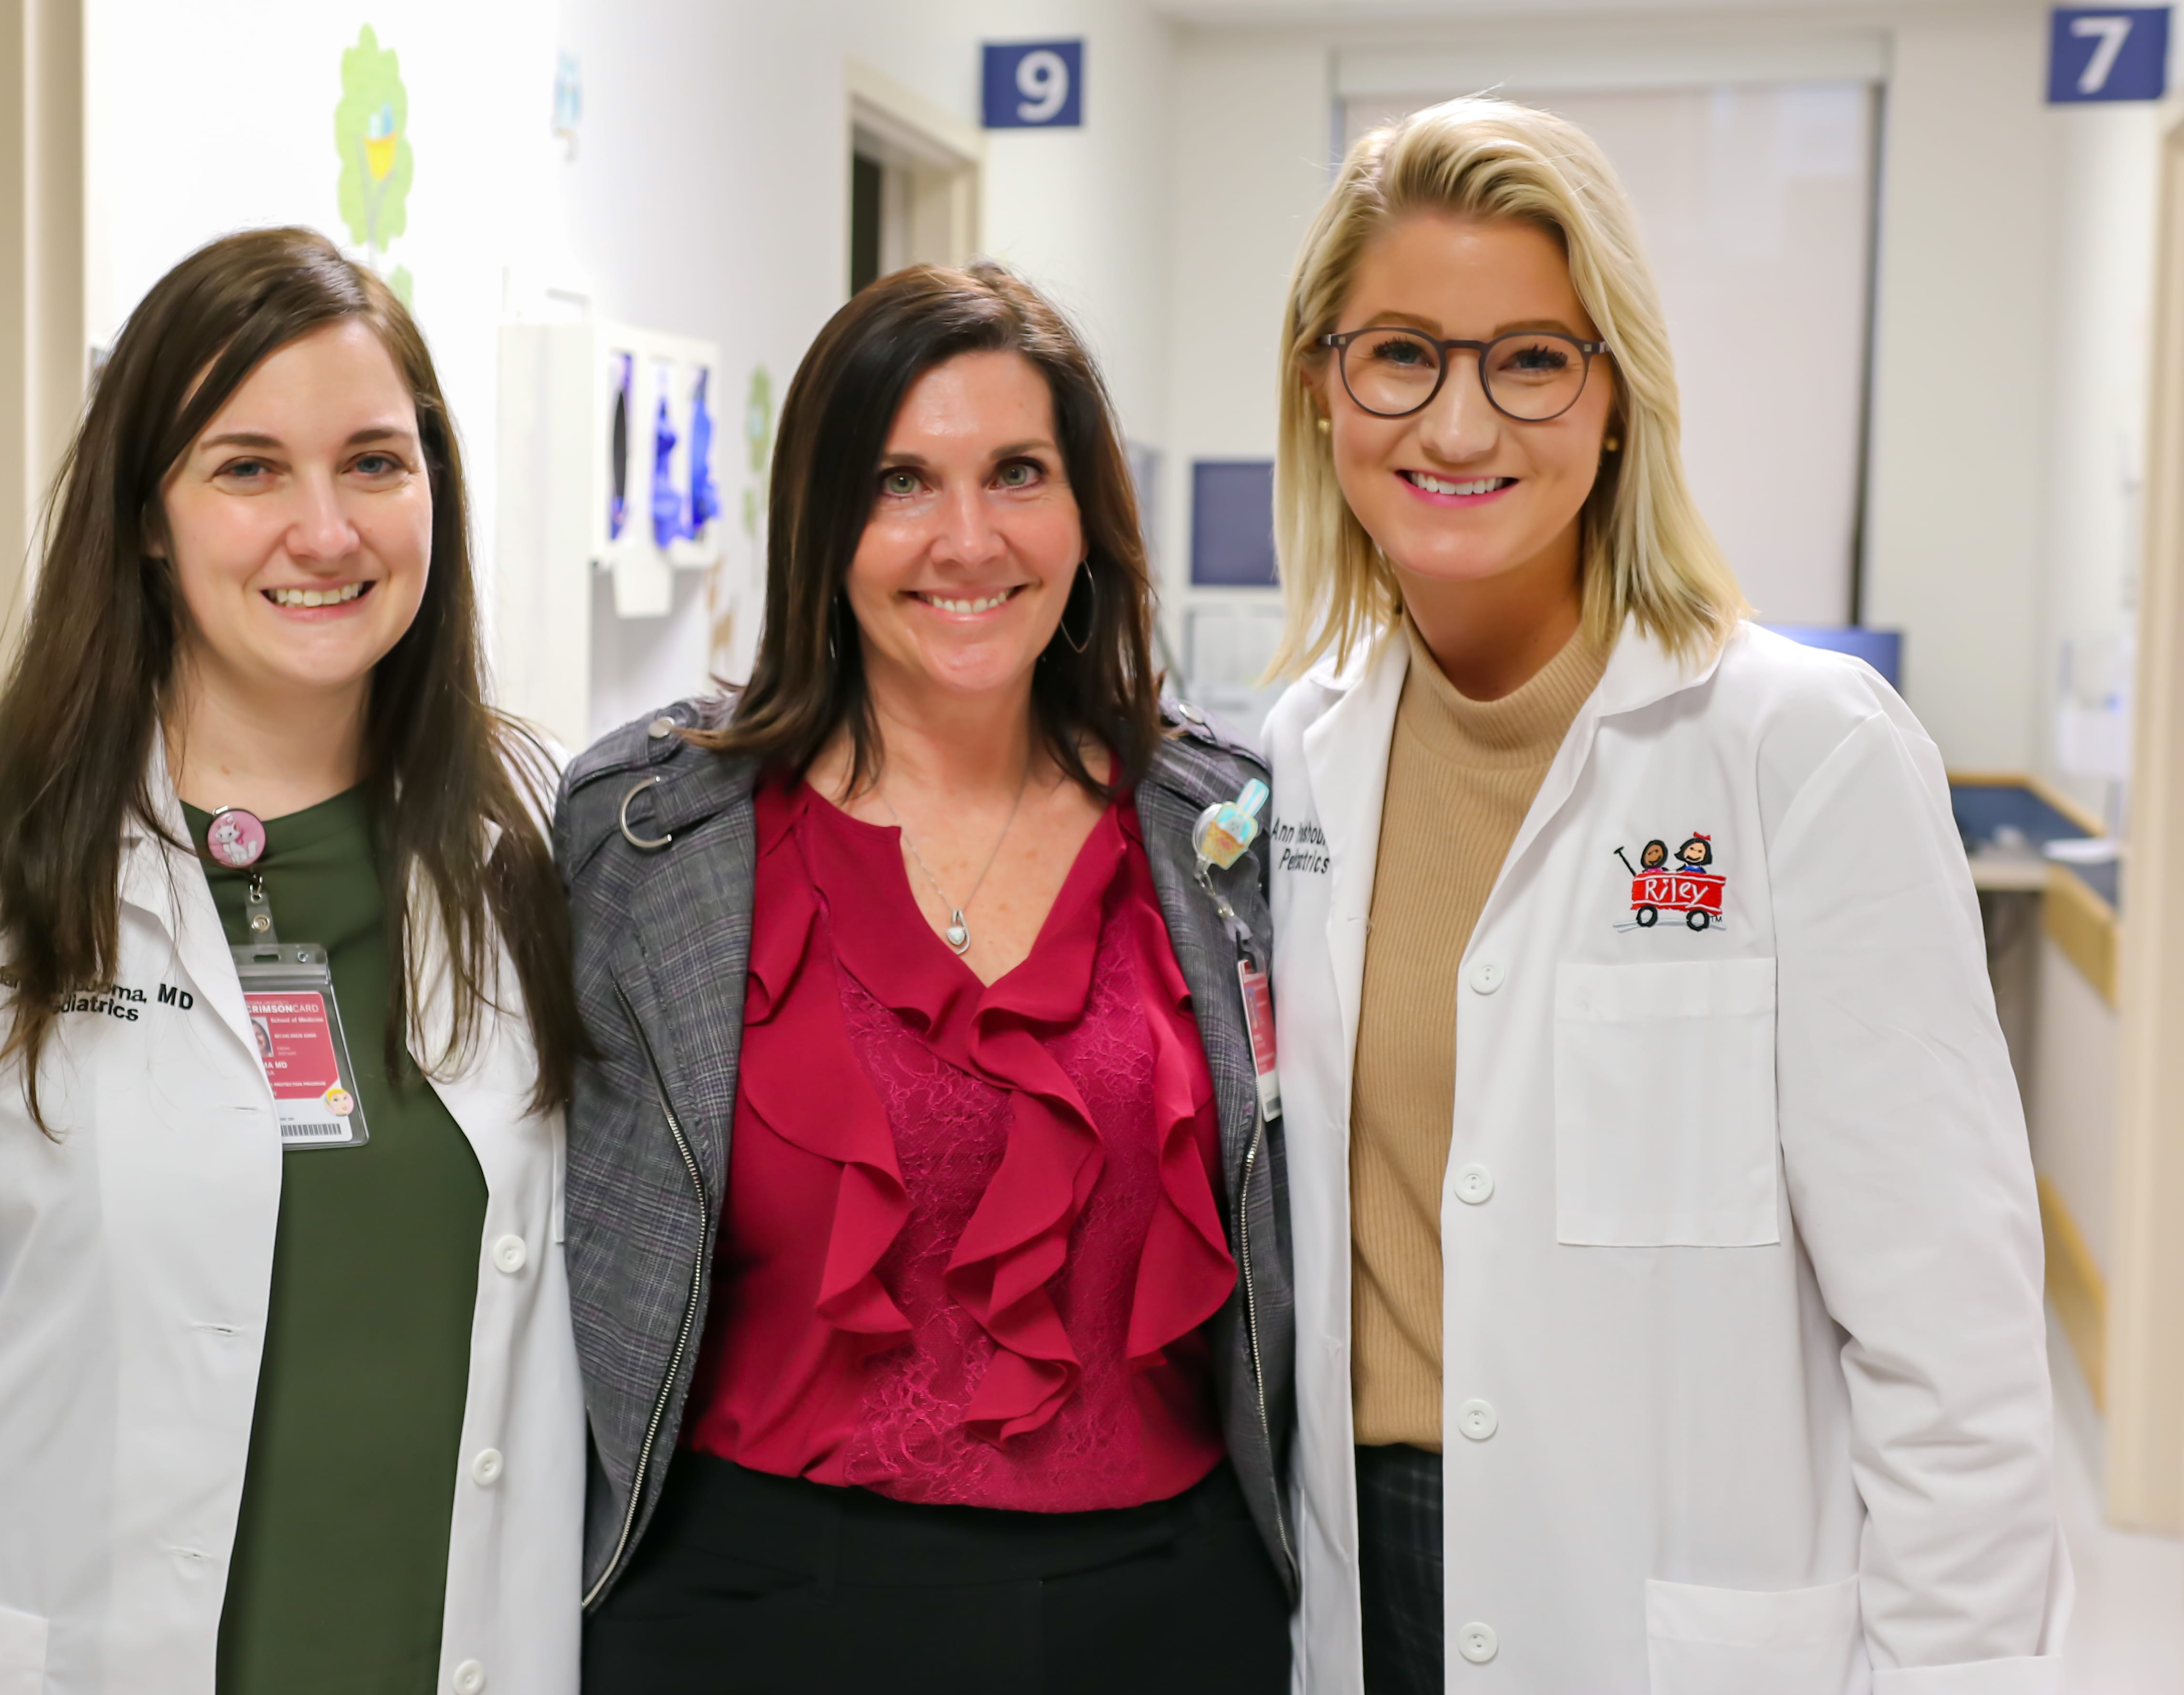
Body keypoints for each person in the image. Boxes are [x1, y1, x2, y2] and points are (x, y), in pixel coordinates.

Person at [0, 228, 587, 1695]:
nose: (326, 528)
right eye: (248, 467)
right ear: (150, 519)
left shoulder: (535, 841)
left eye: (376, 461)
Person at [1258, 99, 2068, 1692]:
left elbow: (1951, 1353)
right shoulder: (1301, 755)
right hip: (1363, 1595)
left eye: (1531, 358)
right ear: (1323, 387)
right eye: (1401, 353)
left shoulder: (1798, 751)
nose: (1459, 423)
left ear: (1615, 399)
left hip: (1670, 1614)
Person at [560, 263, 1293, 1695]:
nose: (967, 540)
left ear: (1088, 509)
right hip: (743, 1619)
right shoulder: (646, 833)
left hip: (1163, 1617)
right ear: (824, 521)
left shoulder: (1229, 833)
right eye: (901, 481)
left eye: (1015, 472)